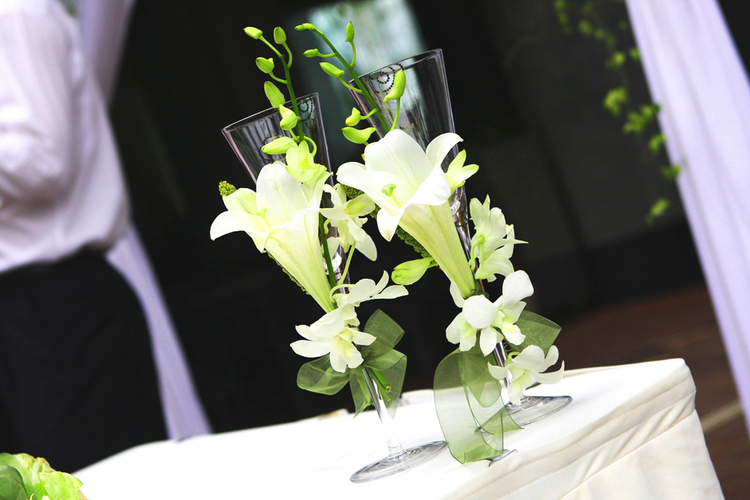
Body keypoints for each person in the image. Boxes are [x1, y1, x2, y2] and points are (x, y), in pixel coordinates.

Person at [0, 0, 166, 471]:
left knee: (104, 482)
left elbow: (43, 160)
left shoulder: (15, 13)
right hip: (28, 317)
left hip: (58, 313)